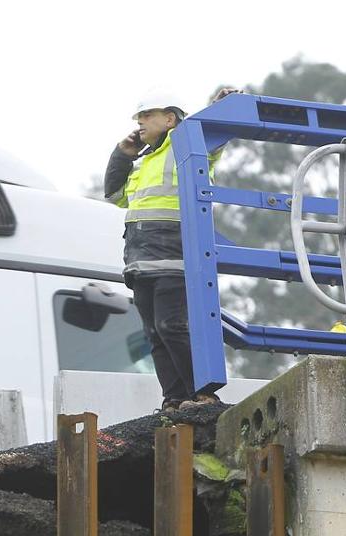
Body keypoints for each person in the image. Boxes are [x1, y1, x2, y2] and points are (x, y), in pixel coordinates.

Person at [105, 87, 237, 411]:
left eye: (147, 116)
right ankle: (174, 399)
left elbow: (215, 135)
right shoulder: (144, 162)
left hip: (174, 255)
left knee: (172, 326)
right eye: (139, 118)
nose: (141, 124)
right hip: (140, 261)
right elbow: (113, 195)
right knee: (155, 334)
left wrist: (221, 106)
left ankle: (204, 393)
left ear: (169, 118)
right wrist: (122, 154)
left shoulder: (189, 144)